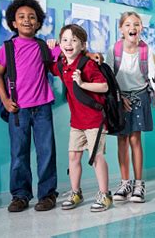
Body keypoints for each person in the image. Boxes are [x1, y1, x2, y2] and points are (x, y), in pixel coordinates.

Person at [0, 0, 58, 212]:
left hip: (42, 108)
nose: (27, 20)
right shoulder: (8, 48)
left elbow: (68, 56)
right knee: (19, 153)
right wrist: (5, 99)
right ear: (13, 23)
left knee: (46, 151)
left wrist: (57, 46)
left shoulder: (44, 47)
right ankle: (20, 195)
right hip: (18, 109)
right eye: (21, 17)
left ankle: (48, 195)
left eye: (32, 17)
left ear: (39, 23)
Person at [50, 24, 113, 212]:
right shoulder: (62, 65)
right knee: (73, 156)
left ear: (83, 45)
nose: (69, 44)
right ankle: (75, 192)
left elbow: (104, 87)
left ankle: (105, 195)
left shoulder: (88, 64)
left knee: (95, 157)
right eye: (65, 40)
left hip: (95, 119)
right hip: (76, 121)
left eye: (74, 40)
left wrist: (82, 83)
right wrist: (53, 48)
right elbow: (50, 65)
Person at [105, 11, 155, 203]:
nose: (132, 28)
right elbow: (109, 77)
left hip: (139, 95)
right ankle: (125, 182)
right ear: (121, 29)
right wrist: (119, 98)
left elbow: (153, 77)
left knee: (135, 139)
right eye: (127, 25)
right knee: (122, 140)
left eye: (136, 24)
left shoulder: (146, 50)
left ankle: (138, 184)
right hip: (120, 97)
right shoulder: (114, 50)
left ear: (141, 28)